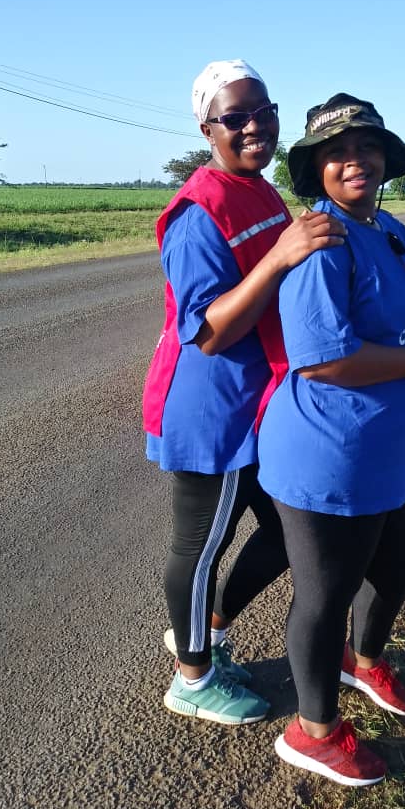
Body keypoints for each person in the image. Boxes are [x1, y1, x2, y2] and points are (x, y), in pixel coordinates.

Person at [257, 93, 405, 784]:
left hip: (380, 456)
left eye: (366, 147)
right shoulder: (321, 241)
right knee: (324, 596)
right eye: (337, 151)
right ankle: (313, 731)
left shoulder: (385, 229)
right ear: (316, 169)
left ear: (387, 160)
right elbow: (321, 357)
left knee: (397, 563)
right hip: (328, 459)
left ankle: (361, 662)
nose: (354, 159)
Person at [143, 61, 345, 726]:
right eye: (237, 117)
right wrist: (281, 256)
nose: (255, 125)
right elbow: (205, 331)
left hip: (259, 400)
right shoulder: (198, 213)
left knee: (292, 529)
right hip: (212, 410)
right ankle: (192, 678)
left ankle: (209, 628)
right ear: (209, 128)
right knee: (200, 544)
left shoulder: (257, 189)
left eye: (265, 111)